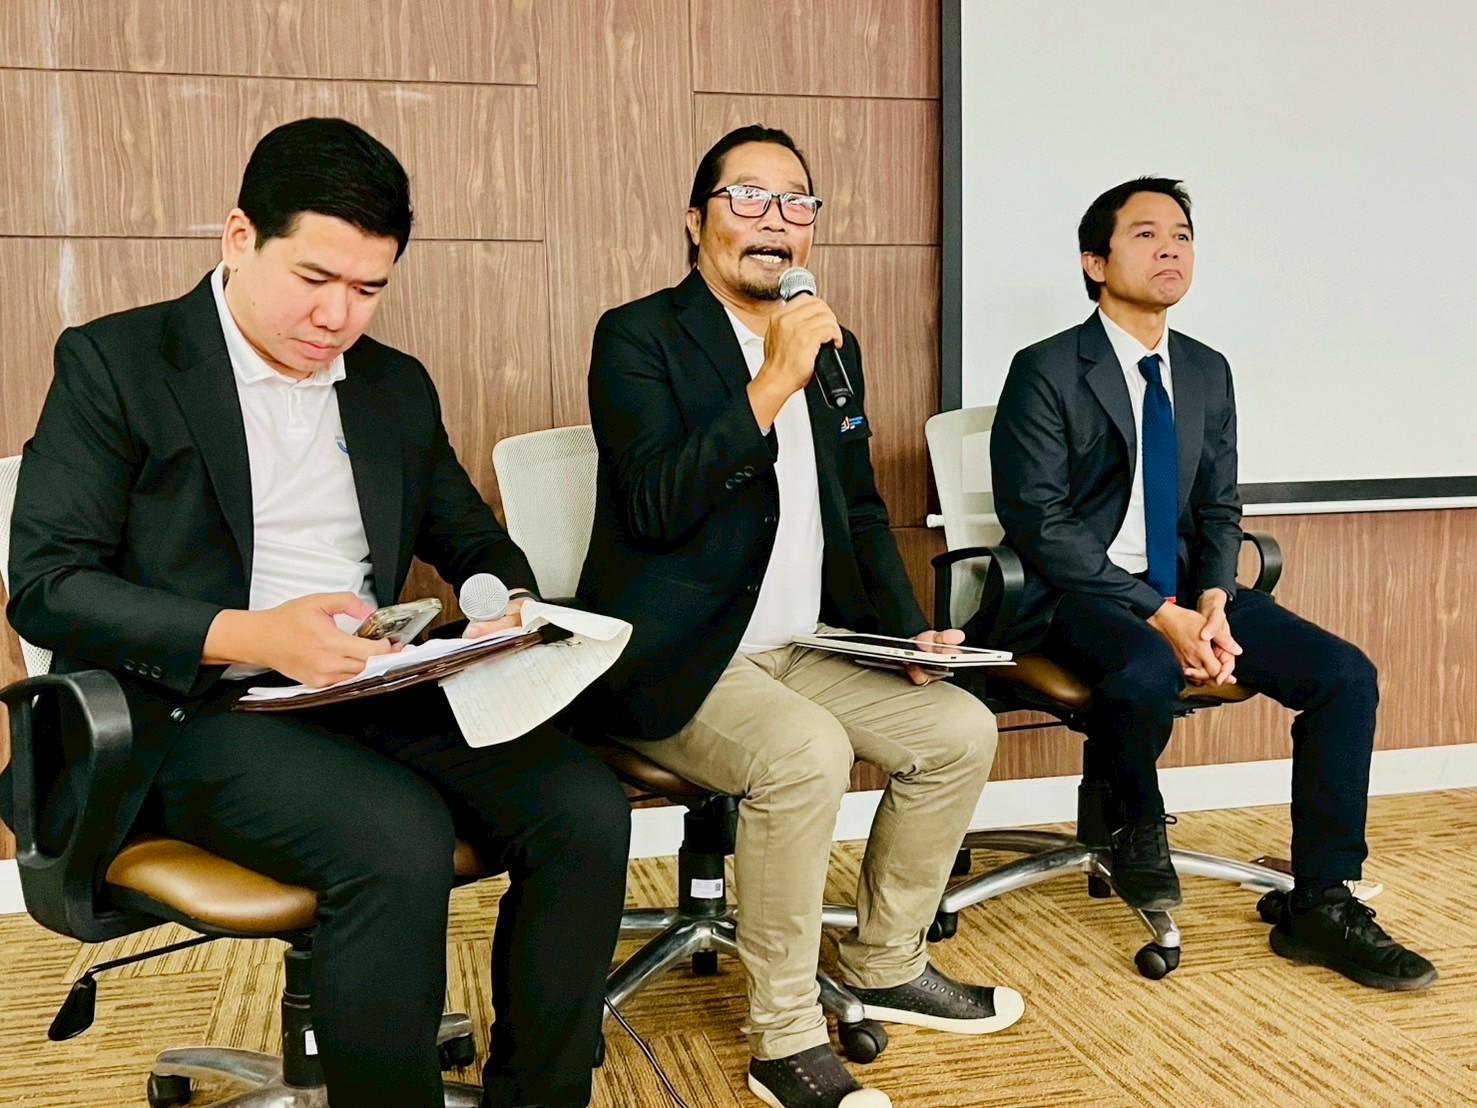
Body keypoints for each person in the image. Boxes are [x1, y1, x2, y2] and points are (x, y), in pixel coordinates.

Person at [3, 117, 631, 1106]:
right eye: (314, 277)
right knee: (393, 838)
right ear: (240, 237)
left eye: (368, 289)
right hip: (192, 706)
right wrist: (252, 634)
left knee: (584, 810)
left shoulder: (392, 386)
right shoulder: (118, 363)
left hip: (369, 683)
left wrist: (498, 604)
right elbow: (49, 583)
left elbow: (472, 539)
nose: (338, 315)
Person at [576, 125, 1021, 1108]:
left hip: (802, 646)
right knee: (804, 753)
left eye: (795, 202)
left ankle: (884, 961)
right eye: (747, 197)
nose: (774, 220)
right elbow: (653, 505)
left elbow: (856, 509)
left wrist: (905, 635)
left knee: (957, 729)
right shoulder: (638, 336)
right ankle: (781, 1036)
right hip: (679, 656)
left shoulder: (831, 344)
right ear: (695, 220)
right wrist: (772, 378)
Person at [973, 176, 1436, 991]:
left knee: (1343, 675)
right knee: (1145, 666)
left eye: (1182, 236)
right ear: (1093, 262)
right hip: (1073, 595)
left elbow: (1220, 506)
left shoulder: (1204, 369)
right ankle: (1135, 822)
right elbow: (1039, 523)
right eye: (1145, 234)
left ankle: (1321, 901)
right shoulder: (1045, 368)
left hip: (1187, 587)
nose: (1170, 250)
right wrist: (1160, 615)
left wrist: (1215, 600)